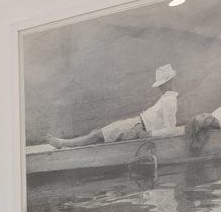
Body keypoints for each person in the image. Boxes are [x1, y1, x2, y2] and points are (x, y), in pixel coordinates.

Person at [46, 64, 182, 149]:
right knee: (98, 134)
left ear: (170, 82)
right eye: (160, 85)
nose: (160, 88)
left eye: (162, 85)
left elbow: (170, 129)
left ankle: (63, 143)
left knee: (96, 134)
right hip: (136, 124)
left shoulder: (169, 100)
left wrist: (150, 134)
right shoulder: (167, 98)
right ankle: (64, 143)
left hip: (139, 127)